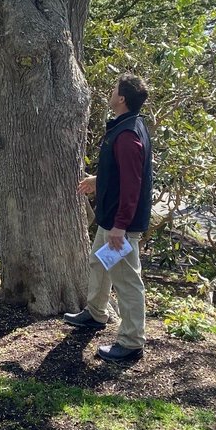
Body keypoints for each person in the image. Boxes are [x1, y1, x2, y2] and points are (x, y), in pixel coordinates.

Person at [64, 72, 153, 363]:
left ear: (122, 98)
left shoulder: (128, 135)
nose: (110, 92)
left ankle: (131, 342)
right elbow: (119, 173)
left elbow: (132, 185)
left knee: (127, 280)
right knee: (99, 263)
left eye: (114, 88)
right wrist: (97, 179)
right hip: (111, 218)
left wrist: (120, 227)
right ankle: (96, 313)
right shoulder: (126, 126)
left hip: (120, 224)